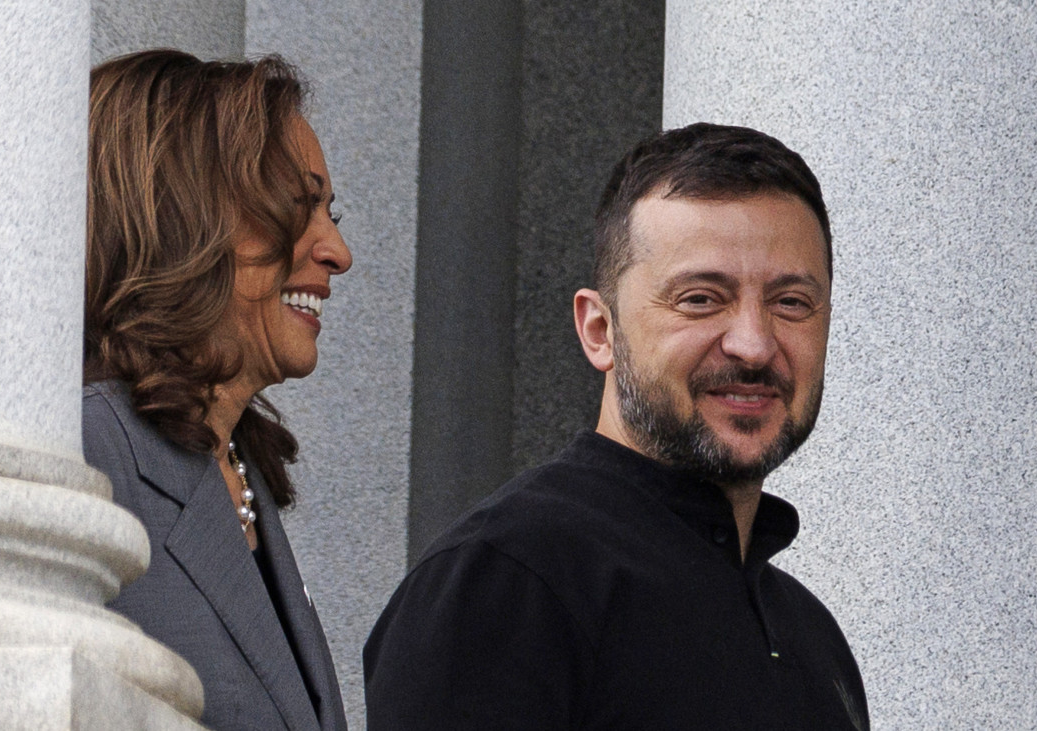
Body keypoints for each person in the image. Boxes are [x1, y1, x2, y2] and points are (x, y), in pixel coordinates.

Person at [364, 123, 869, 729]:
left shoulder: (811, 636)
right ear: (599, 331)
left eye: (791, 302)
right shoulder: (505, 584)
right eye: (700, 298)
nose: (753, 346)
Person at [82, 49, 352, 730]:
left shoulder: (238, 469)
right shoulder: (85, 455)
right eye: (299, 205)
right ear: (183, 215)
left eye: (330, 212)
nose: (336, 251)